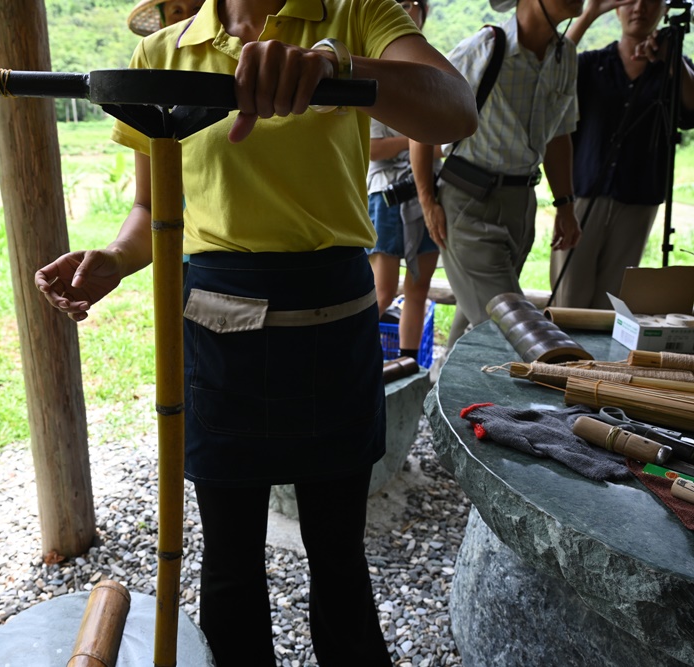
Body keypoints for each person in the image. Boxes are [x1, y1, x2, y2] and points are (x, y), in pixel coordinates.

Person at [35, 0, 477, 663]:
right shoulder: (166, 54)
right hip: (219, 325)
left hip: (334, 314)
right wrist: (117, 259)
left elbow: (454, 108)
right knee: (231, 559)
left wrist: (333, 65)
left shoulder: (353, 12)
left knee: (337, 553)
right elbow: (153, 207)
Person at [411, 0, 584, 348]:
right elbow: (422, 119)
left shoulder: (565, 55)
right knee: (509, 327)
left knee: (477, 322)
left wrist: (565, 204)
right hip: (468, 204)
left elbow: (559, 134)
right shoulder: (486, 49)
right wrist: (428, 202)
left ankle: (437, 400)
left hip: (522, 204)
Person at [549, 0, 694, 309]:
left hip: (638, 199)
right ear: (616, 8)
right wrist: (589, 13)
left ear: (665, 9)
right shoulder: (591, 64)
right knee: (568, 297)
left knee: (612, 303)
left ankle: (601, 361)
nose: (640, 8)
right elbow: (550, 67)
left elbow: (692, 108)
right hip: (583, 195)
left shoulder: (674, 69)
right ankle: (561, 358)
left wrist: (672, 59)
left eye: (651, 1)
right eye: (630, 0)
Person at [367, 0, 440, 362]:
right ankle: (354, 362)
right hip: (386, 195)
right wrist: (418, 139)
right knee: (381, 292)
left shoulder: (430, 73)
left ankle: (409, 367)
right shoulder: (372, 70)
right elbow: (370, 149)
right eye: (401, 3)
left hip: (426, 193)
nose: (409, 10)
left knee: (418, 288)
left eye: (415, 4)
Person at [127, 0, 206, 36]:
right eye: (177, 11)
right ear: (162, 23)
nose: (187, 19)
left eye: (197, 9)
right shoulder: (150, 57)